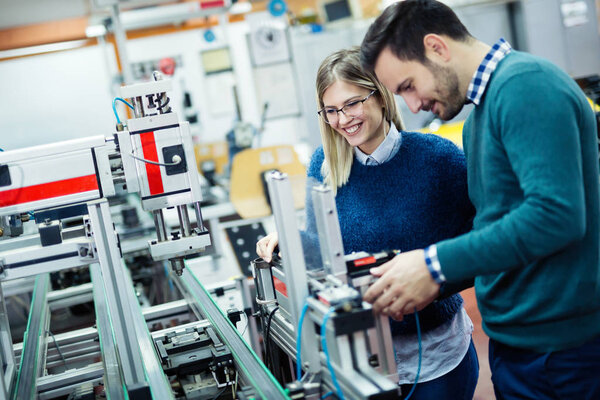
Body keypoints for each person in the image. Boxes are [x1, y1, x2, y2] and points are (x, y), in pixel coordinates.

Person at [359, 1, 600, 399]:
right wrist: (422, 284)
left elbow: (554, 216)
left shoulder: (526, 86)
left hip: (564, 354)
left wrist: (433, 265)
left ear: (436, 47)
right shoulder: (477, 120)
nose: (413, 106)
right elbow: (498, 234)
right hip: (520, 347)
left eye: (407, 86)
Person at [256, 47, 478, 400]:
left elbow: (482, 243)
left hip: (437, 358)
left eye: (351, 103)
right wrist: (289, 240)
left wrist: (434, 283)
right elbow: (326, 254)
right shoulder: (324, 166)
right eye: (331, 111)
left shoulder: (438, 158)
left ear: (380, 93)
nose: (343, 120)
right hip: (360, 361)